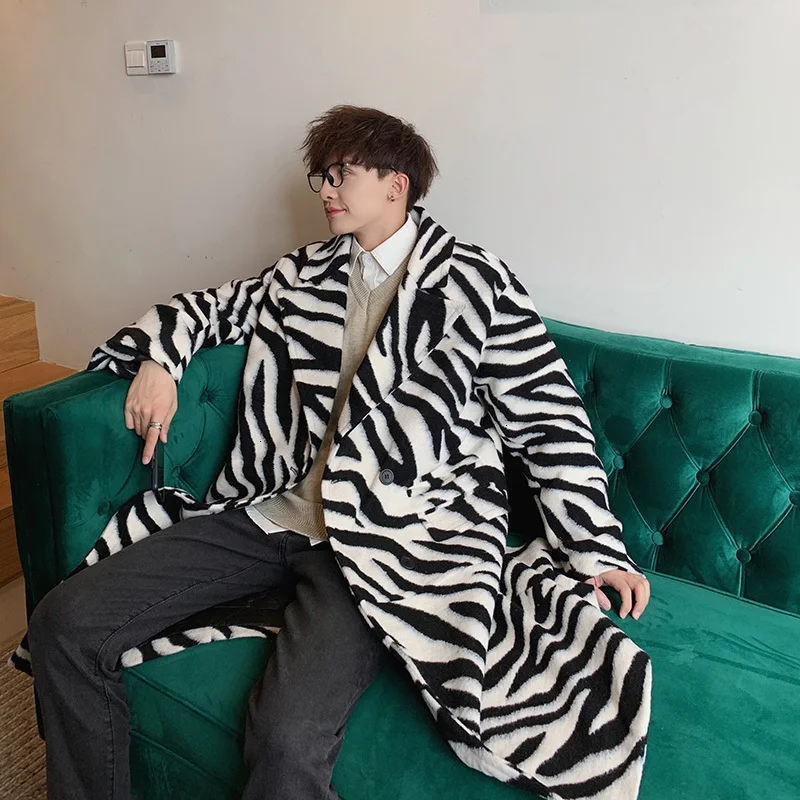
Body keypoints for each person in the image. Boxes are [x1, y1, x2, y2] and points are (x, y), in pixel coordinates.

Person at [26, 105, 651, 800]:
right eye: (320, 175)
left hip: (386, 540)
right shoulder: (304, 274)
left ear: (396, 184)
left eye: (340, 173)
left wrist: (596, 548)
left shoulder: (476, 284)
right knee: (64, 622)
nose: (324, 189)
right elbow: (208, 307)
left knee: (286, 738)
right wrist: (159, 361)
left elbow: (549, 420)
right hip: (271, 514)